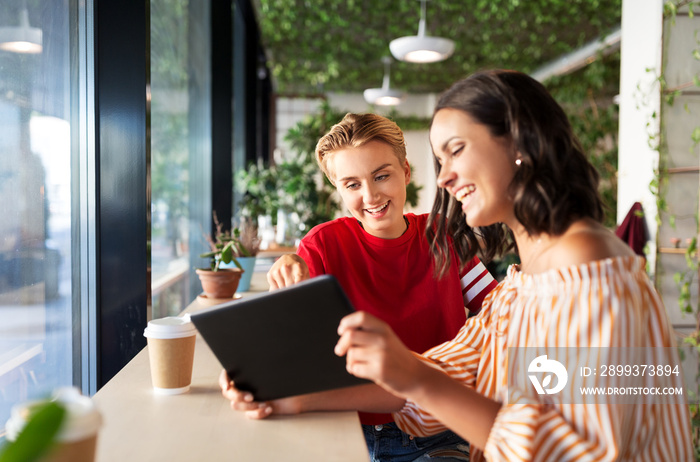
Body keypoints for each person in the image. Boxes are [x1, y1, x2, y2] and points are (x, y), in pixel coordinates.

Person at [334, 70, 694, 461]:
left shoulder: (587, 268)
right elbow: (448, 373)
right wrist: (295, 400)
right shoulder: (522, 284)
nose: (443, 177)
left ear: (520, 143)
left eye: (456, 150)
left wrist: (416, 379)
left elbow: (571, 451)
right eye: (439, 160)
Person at [221, 113, 498, 461]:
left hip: (439, 430)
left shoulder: (444, 236)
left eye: (382, 175)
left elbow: (501, 313)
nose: (370, 195)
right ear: (338, 189)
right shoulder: (321, 246)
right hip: (346, 428)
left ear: (406, 172)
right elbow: (284, 341)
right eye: (352, 184)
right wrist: (247, 374)